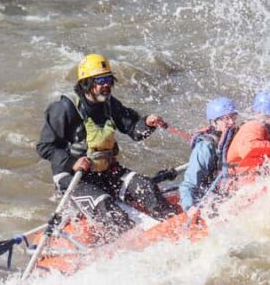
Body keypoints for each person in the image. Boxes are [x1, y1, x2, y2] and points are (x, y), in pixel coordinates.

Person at [36, 54, 177, 241]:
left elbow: (134, 129)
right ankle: (125, 243)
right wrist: (72, 162)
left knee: (146, 187)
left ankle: (175, 225)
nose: (107, 85)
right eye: (101, 80)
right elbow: (45, 147)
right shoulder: (63, 109)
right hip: (74, 179)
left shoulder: (110, 104)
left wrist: (148, 123)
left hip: (106, 173)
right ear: (86, 82)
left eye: (109, 79)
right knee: (110, 212)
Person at [179, 97, 238, 214]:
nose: (231, 122)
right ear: (213, 122)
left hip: (227, 188)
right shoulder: (205, 147)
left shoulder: (235, 135)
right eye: (226, 119)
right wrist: (189, 208)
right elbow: (189, 184)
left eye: (233, 117)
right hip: (208, 197)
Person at [225, 91, 270, 187]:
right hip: (244, 183)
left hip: (248, 179)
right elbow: (249, 148)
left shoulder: (259, 127)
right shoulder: (254, 126)